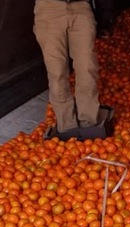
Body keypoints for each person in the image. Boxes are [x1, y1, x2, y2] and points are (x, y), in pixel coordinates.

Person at [34, 0, 100, 134]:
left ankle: (89, 124)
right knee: (57, 72)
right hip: (49, 8)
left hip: (81, 7)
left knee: (87, 65)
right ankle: (67, 126)